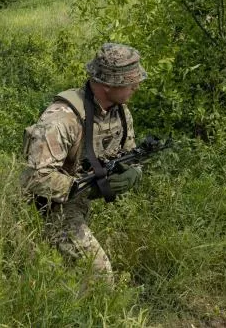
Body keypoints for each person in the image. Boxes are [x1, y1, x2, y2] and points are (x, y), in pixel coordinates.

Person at [20, 43, 148, 282]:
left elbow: (130, 152)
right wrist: (90, 186)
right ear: (108, 84)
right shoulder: (62, 119)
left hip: (78, 203)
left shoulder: (120, 112)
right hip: (49, 208)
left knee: (65, 273)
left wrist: (134, 172)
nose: (136, 86)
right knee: (99, 272)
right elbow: (34, 178)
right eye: (130, 81)